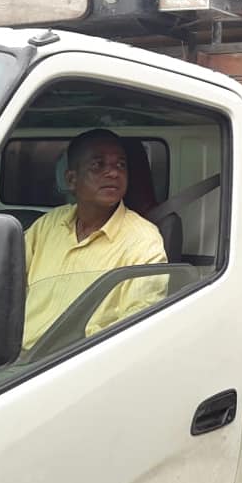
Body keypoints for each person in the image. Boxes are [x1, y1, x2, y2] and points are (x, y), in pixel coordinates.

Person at [21, 129, 167, 350]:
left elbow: (138, 326)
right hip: (15, 356)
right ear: (72, 179)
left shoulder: (143, 241)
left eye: (121, 165)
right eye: (98, 165)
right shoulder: (48, 225)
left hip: (81, 360)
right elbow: (7, 285)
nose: (113, 173)